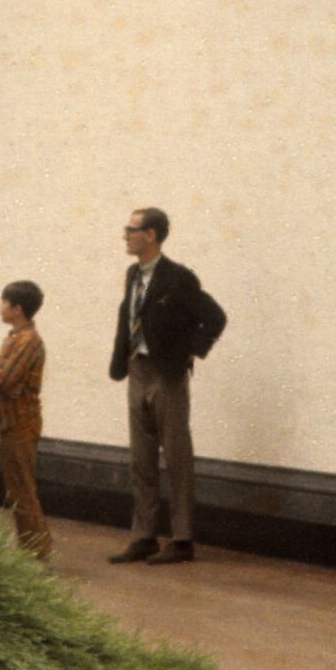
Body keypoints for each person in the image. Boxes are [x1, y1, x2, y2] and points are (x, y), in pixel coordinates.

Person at [107, 207, 227, 565]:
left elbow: (215, 317)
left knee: (175, 455)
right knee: (140, 458)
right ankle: (144, 535)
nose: (125, 234)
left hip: (167, 375)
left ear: (152, 234)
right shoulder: (133, 274)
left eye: (132, 229)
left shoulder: (179, 278)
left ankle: (181, 537)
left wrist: (188, 351)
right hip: (137, 370)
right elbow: (129, 317)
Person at [0, 280, 51, 560]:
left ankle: (37, 552)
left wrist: (1, 380)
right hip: (12, 421)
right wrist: (0, 380)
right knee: (18, 490)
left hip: (21, 424)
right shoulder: (15, 337)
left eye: (4, 302)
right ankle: (31, 549)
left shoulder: (27, 341)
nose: (0, 307)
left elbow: (1, 378)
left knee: (23, 491)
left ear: (17, 309)